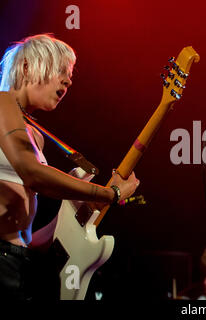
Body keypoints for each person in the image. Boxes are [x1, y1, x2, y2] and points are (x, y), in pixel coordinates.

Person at [0, 34, 139, 300]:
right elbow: (33, 174)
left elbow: (27, 233)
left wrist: (73, 215)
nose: (68, 80)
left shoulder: (34, 135)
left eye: (71, 73)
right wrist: (108, 194)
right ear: (28, 66)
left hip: (18, 261)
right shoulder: (1, 102)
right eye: (61, 70)